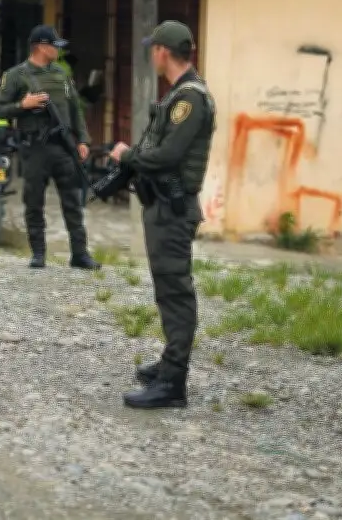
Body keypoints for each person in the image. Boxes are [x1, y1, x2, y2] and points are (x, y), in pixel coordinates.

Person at [108, 20, 216, 409]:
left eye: (152, 49)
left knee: (175, 292)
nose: (151, 55)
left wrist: (128, 156)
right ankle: (168, 364)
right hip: (163, 206)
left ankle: (173, 384)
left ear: (162, 52)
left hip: (172, 209)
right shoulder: (180, 94)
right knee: (167, 288)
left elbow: (169, 155)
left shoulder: (190, 98)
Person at [0, 25, 100, 270]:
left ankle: (79, 253)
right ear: (41, 47)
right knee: (34, 202)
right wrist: (23, 104)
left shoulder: (61, 74)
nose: (57, 51)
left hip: (63, 147)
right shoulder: (15, 76)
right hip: (35, 149)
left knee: (73, 202)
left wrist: (83, 139)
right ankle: (38, 254)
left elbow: (75, 108)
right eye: (54, 46)